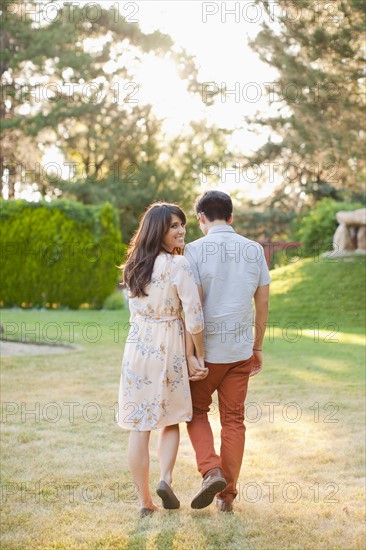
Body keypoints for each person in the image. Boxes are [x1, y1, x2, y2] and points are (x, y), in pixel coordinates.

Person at [116, 202, 207, 517]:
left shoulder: (133, 266)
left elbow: (135, 313)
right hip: (167, 347)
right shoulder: (177, 266)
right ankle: (165, 479)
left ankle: (145, 502)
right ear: (159, 230)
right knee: (170, 420)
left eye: (182, 224)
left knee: (139, 427)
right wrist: (198, 354)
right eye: (174, 226)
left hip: (136, 349)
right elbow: (194, 317)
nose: (181, 230)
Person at [184, 190, 271, 513]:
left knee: (195, 411)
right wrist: (257, 346)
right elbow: (262, 303)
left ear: (201, 219)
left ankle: (211, 470)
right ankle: (228, 495)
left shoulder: (192, 250)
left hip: (206, 352)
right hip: (239, 351)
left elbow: (191, 307)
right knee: (234, 420)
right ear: (231, 217)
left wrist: (192, 353)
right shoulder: (253, 251)